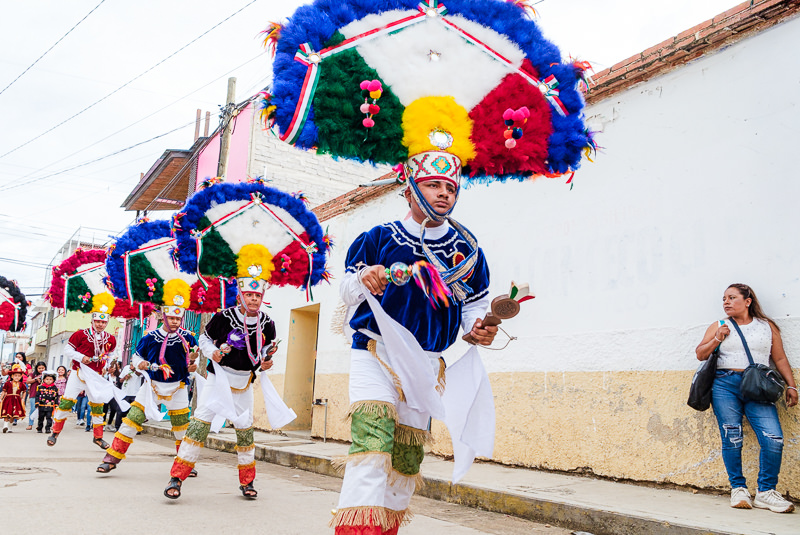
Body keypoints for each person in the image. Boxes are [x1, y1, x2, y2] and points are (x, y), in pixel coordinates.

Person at [332, 151, 497, 534]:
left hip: (427, 363)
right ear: (409, 190)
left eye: (450, 188)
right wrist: (365, 277)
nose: (443, 194)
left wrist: (479, 328)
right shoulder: (376, 238)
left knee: (406, 459)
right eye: (433, 185)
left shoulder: (468, 250)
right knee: (371, 445)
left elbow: (475, 304)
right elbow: (345, 288)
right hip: (376, 352)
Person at [164, 277, 276, 500]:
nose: (253, 299)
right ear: (239, 297)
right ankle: (176, 477)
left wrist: (266, 359)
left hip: (244, 381)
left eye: (257, 296)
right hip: (219, 378)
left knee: (245, 430)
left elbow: (267, 347)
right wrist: (212, 352)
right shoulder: (224, 317)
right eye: (249, 295)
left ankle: (248, 481)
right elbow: (204, 338)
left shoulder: (267, 322)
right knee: (199, 425)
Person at [696, 283, 797, 514]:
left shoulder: (766, 326)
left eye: (732, 297)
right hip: (724, 384)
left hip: (758, 386)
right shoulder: (720, 325)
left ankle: (766, 492)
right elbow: (700, 354)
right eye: (724, 299)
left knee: (773, 438)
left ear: (748, 301)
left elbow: (779, 359)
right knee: (732, 436)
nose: (726, 302)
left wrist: (791, 385)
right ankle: (738, 489)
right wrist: (717, 339)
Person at [97, 303, 198, 474]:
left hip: (178, 388)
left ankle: (186, 464)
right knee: (131, 421)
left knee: (181, 429)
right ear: (163, 318)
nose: (175, 322)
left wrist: (192, 365)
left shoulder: (188, 337)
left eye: (178, 319)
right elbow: (136, 356)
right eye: (171, 318)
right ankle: (112, 458)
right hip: (151, 387)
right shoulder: (150, 337)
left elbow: (193, 357)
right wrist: (140, 363)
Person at [47, 304, 117, 449]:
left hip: (96, 376)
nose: (100, 324)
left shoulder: (110, 338)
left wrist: (106, 365)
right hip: (78, 372)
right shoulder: (80, 334)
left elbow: (110, 355)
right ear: (92, 321)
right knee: (66, 403)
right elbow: (68, 349)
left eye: (103, 322)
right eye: (98, 321)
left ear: (107, 322)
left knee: (97, 405)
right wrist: (81, 357)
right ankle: (55, 432)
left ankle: (98, 437)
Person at [1, 364, 27, 432]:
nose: (17, 377)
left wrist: (23, 399)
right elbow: (4, 391)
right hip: (8, 399)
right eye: (15, 375)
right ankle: (5, 425)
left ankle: (10, 427)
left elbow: (24, 391)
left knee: (14, 414)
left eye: (19, 376)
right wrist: (1, 399)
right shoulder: (7, 383)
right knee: (7, 412)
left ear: (21, 377)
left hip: (17, 400)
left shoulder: (22, 384)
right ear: (12, 376)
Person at [25, 361, 46, 430]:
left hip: (44, 394)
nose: (41, 369)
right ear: (36, 368)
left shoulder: (47, 374)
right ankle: (30, 424)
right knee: (33, 409)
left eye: (43, 368)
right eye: (39, 368)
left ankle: (40, 425)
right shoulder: (32, 374)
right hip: (34, 393)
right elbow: (27, 381)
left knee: (43, 410)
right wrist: (35, 379)